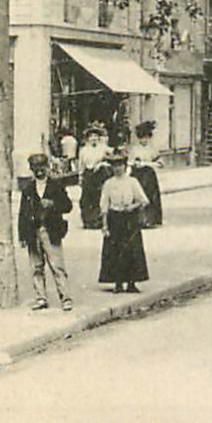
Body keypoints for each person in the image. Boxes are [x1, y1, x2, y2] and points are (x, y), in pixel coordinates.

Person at [18, 153, 74, 311]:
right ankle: (41, 298)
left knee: (57, 265)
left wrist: (53, 204)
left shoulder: (56, 186)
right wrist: (22, 235)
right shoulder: (28, 189)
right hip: (33, 231)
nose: (39, 171)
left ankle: (66, 298)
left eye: (42, 167)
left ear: (47, 167)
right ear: (31, 169)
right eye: (36, 167)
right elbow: (22, 213)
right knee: (36, 266)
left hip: (51, 230)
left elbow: (68, 206)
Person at [97, 151, 149, 293]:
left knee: (132, 249)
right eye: (115, 166)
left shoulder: (132, 181)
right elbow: (104, 205)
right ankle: (118, 283)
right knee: (115, 250)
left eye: (120, 165)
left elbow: (143, 200)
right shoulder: (108, 183)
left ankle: (131, 283)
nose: (118, 168)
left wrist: (132, 206)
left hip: (130, 219)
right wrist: (105, 224)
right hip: (115, 218)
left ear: (125, 166)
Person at [130, 120, 164, 228]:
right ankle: (138, 220)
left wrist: (148, 163)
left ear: (149, 137)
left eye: (146, 137)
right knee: (137, 196)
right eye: (141, 138)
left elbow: (160, 163)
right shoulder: (134, 149)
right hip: (137, 175)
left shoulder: (153, 149)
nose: (143, 140)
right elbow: (130, 162)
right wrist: (135, 164)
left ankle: (150, 220)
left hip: (148, 175)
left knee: (150, 196)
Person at [77, 123, 110, 230]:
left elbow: (112, 159)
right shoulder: (83, 150)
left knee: (98, 197)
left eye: (96, 137)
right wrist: (80, 177)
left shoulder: (104, 149)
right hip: (88, 174)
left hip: (99, 175)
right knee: (86, 198)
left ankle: (98, 221)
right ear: (88, 138)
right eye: (91, 137)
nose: (93, 139)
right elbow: (81, 164)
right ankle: (89, 221)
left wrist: (102, 164)